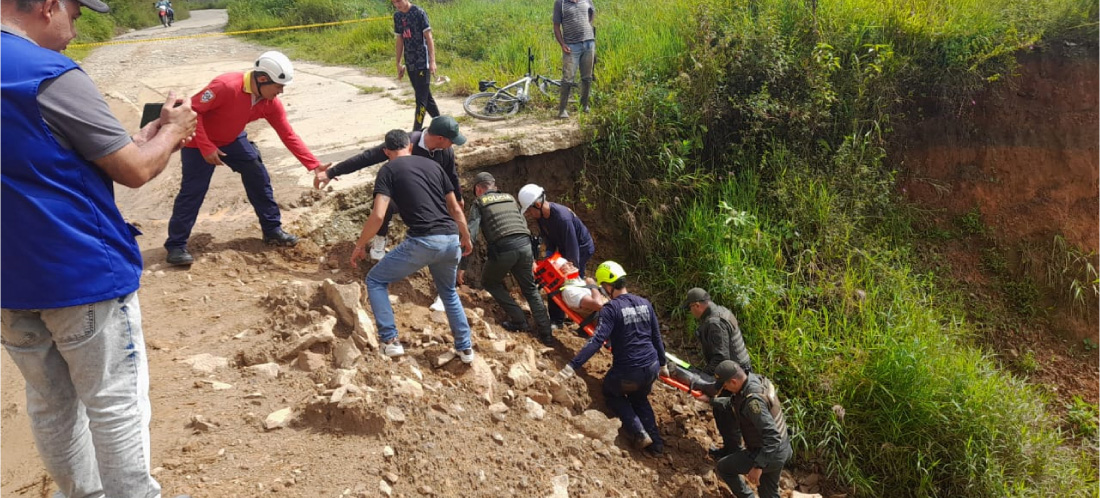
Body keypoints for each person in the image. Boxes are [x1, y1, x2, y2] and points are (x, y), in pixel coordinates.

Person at [1, 0, 198, 495]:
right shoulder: (49, 73)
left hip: (9, 283)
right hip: (80, 273)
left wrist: (133, 138)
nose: (76, 27)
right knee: (114, 405)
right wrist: (172, 132)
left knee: (49, 404)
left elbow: (40, 157)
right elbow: (135, 171)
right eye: (78, 13)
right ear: (48, 6)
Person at [163, 51, 329, 266]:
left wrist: (314, 165)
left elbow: (288, 134)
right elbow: (193, 110)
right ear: (261, 79)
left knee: (256, 172)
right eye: (278, 86)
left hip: (231, 138)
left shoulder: (270, 103)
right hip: (199, 142)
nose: (281, 92)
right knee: (193, 191)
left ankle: (272, 230)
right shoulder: (225, 86)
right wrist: (206, 147)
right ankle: (176, 245)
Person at [350, 130, 476, 363]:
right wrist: (465, 237)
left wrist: (360, 245)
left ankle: (389, 341)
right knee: (448, 292)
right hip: (450, 239)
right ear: (409, 146)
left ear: (387, 152)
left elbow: (378, 215)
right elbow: (456, 208)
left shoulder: (387, 169)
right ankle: (465, 348)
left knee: (376, 280)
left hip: (424, 241)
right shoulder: (434, 166)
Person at [314, 116, 466, 261]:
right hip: (401, 195)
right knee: (382, 205)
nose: (453, 145)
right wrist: (331, 172)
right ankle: (380, 238)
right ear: (440, 138)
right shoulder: (404, 142)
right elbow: (367, 157)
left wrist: (458, 199)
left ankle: (433, 247)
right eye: (451, 141)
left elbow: (452, 176)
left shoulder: (446, 152)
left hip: (428, 197)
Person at [557, 262, 669, 456]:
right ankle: (657, 445)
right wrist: (663, 364)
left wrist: (571, 366)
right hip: (651, 367)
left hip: (628, 372)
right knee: (640, 397)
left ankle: (639, 432)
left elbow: (596, 341)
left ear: (608, 286)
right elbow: (656, 337)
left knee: (612, 393)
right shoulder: (645, 303)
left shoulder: (611, 309)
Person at [459, 173, 554, 345]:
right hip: (525, 247)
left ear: (479, 189)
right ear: (493, 185)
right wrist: (532, 257)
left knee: (489, 282)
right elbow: (522, 225)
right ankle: (547, 334)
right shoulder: (510, 198)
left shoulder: (479, 202)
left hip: (504, 250)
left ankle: (519, 320)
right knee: (531, 289)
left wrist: (462, 265)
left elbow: (470, 236)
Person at [683, 286, 754, 458]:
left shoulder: (714, 323)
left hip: (732, 374)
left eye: (691, 308)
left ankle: (733, 452)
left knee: (724, 412)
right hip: (739, 370)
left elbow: (721, 357)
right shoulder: (722, 311)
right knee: (728, 410)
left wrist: (704, 377)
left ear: (697, 305)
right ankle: (733, 449)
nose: (691, 312)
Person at [518, 183, 596, 328]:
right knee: (552, 277)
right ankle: (557, 319)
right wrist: (549, 261)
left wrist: (569, 270)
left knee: (572, 282)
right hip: (564, 247)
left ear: (537, 204)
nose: (528, 214)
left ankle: (586, 319)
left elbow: (573, 250)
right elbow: (549, 240)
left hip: (581, 248)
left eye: (529, 210)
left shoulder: (562, 218)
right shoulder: (541, 217)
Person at [710, 361, 792, 498]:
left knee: (724, 467)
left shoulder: (753, 402)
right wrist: (711, 401)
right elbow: (736, 403)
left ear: (734, 382)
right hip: (782, 448)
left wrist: (758, 466)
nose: (726, 389)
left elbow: (772, 436)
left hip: (769, 451)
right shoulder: (756, 380)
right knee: (769, 494)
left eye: (725, 386)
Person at [392, 0, 439, 131]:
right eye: (394, 2)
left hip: (422, 62)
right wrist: (398, 63)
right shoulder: (398, 16)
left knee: (421, 101)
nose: (397, 5)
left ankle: (415, 132)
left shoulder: (419, 12)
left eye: (399, 1)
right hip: (410, 62)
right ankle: (442, 124)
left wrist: (432, 61)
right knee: (425, 97)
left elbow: (429, 37)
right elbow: (400, 40)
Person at [552, 0, 595, 118]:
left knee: (587, 77)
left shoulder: (587, 0)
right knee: (567, 78)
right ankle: (562, 110)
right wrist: (562, 44)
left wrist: (588, 26)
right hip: (571, 46)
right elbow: (556, 27)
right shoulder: (560, 3)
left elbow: (592, 12)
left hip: (589, 43)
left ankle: (584, 105)